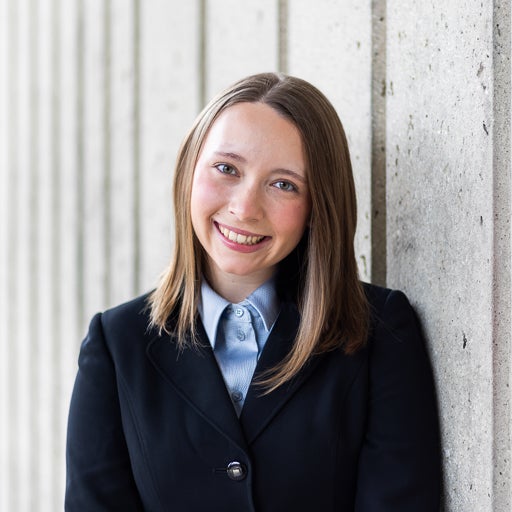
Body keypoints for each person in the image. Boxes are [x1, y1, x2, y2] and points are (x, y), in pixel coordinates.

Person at [65, 72, 441, 511]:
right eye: (227, 169)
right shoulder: (117, 344)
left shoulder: (379, 331)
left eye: (283, 184)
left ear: (318, 205)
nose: (244, 208)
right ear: (189, 171)